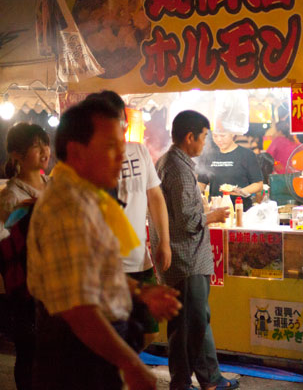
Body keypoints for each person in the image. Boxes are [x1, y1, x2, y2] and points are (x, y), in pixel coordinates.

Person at [26, 99, 181, 390]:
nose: (122, 157)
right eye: (110, 146)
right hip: (74, 363)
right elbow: (79, 310)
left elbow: (94, 273)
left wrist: (141, 291)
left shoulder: (88, 198)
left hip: (95, 354)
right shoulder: (66, 207)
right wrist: (131, 364)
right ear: (76, 152)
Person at [152, 110, 238, 390]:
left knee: (190, 322)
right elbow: (189, 219)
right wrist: (213, 215)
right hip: (186, 258)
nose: (204, 143)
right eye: (203, 137)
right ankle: (190, 381)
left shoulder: (170, 162)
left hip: (184, 258)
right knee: (191, 323)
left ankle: (203, 379)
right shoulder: (177, 168)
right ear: (189, 137)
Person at [85, 91, 171, 349]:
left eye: (121, 119)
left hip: (140, 261)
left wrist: (164, 242)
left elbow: (155, 198)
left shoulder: (140, 152)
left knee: (149, 331)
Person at [0, 123, 50, 390]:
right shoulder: (12, 198)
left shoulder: (53, 186)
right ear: (17, 155)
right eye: (35, 145)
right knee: (30, 358)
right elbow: (12, 249)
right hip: (28, 293)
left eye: (45, 143)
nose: (44, 150)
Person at [198, 130, 263, 211]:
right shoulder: (209, 155)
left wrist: (241, 191)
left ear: (232, 134)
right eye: (215, 136)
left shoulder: (247, 155)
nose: (219, 140)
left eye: (222, 136)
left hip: (240, 208)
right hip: (216, 209)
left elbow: (258, 184)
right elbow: (201, 183)